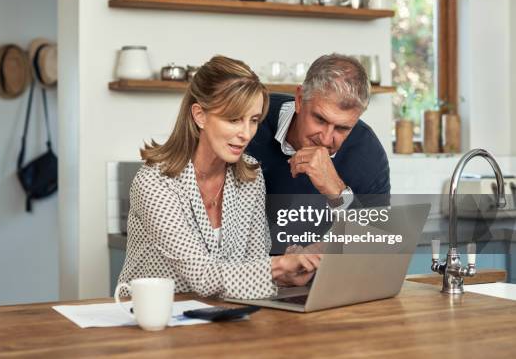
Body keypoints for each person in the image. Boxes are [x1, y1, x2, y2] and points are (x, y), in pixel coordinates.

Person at [118, 55, 321, 299]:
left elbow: (253, 264)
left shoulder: (251, 177)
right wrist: (278, 266)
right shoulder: (155, 182)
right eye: (234, 119)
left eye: (253, 120)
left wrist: (285, 276)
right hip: (151, 318)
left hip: (222, 318)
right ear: (200, 115)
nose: (246, 134)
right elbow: (202, 275)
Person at [247, 53, 390, 212]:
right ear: (300, 100)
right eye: (320, 119)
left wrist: (337, 192)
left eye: (342, 128)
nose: (326, 140)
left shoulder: (368, 152)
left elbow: (379, 235)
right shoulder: (252, 117)